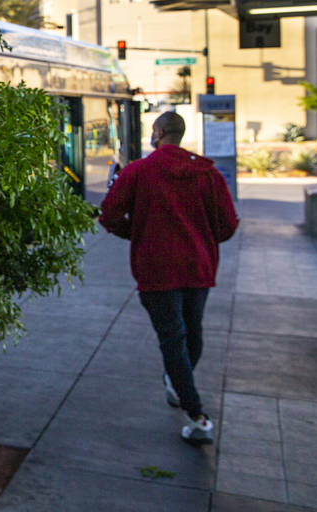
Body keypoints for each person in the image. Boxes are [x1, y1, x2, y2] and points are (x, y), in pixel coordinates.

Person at [98, 111, 238, 444]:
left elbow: (109, 214)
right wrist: (202, 239)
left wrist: (139, 233)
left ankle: (197, 415)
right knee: (192, 333)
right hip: (199, 267)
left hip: (157, 267)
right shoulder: (208, 173)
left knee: (173, 338)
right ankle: (178, 384)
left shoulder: (138, 171)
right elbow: (229, 224)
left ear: (158, 132)